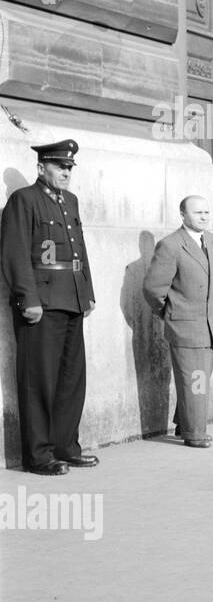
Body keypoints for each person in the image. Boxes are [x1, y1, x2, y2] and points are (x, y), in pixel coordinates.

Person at [1, 139, 98, 473]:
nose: (66, 172)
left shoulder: (70, 201)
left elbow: (79, 248)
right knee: (38, 381)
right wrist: (27, 299)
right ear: (41, 167)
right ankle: (39, 456)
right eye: (60, 166)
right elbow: (15, 253)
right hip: (41, 302)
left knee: (71, 380)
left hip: (72, 299)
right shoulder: (23, 200)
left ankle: (65, 446)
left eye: (69, 167)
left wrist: (87, 292)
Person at [142, 195, 213, 448]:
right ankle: (195, 433)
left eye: (207, 212)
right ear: (183, 215)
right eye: (198, 213)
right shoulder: (170, 245)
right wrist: (171, 312)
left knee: (197, 380)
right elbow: (153, 289)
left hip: (211, 326)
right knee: (195, 381)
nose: (204, 217)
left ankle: (183, 423)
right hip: (186, 326)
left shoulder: (211, 240)